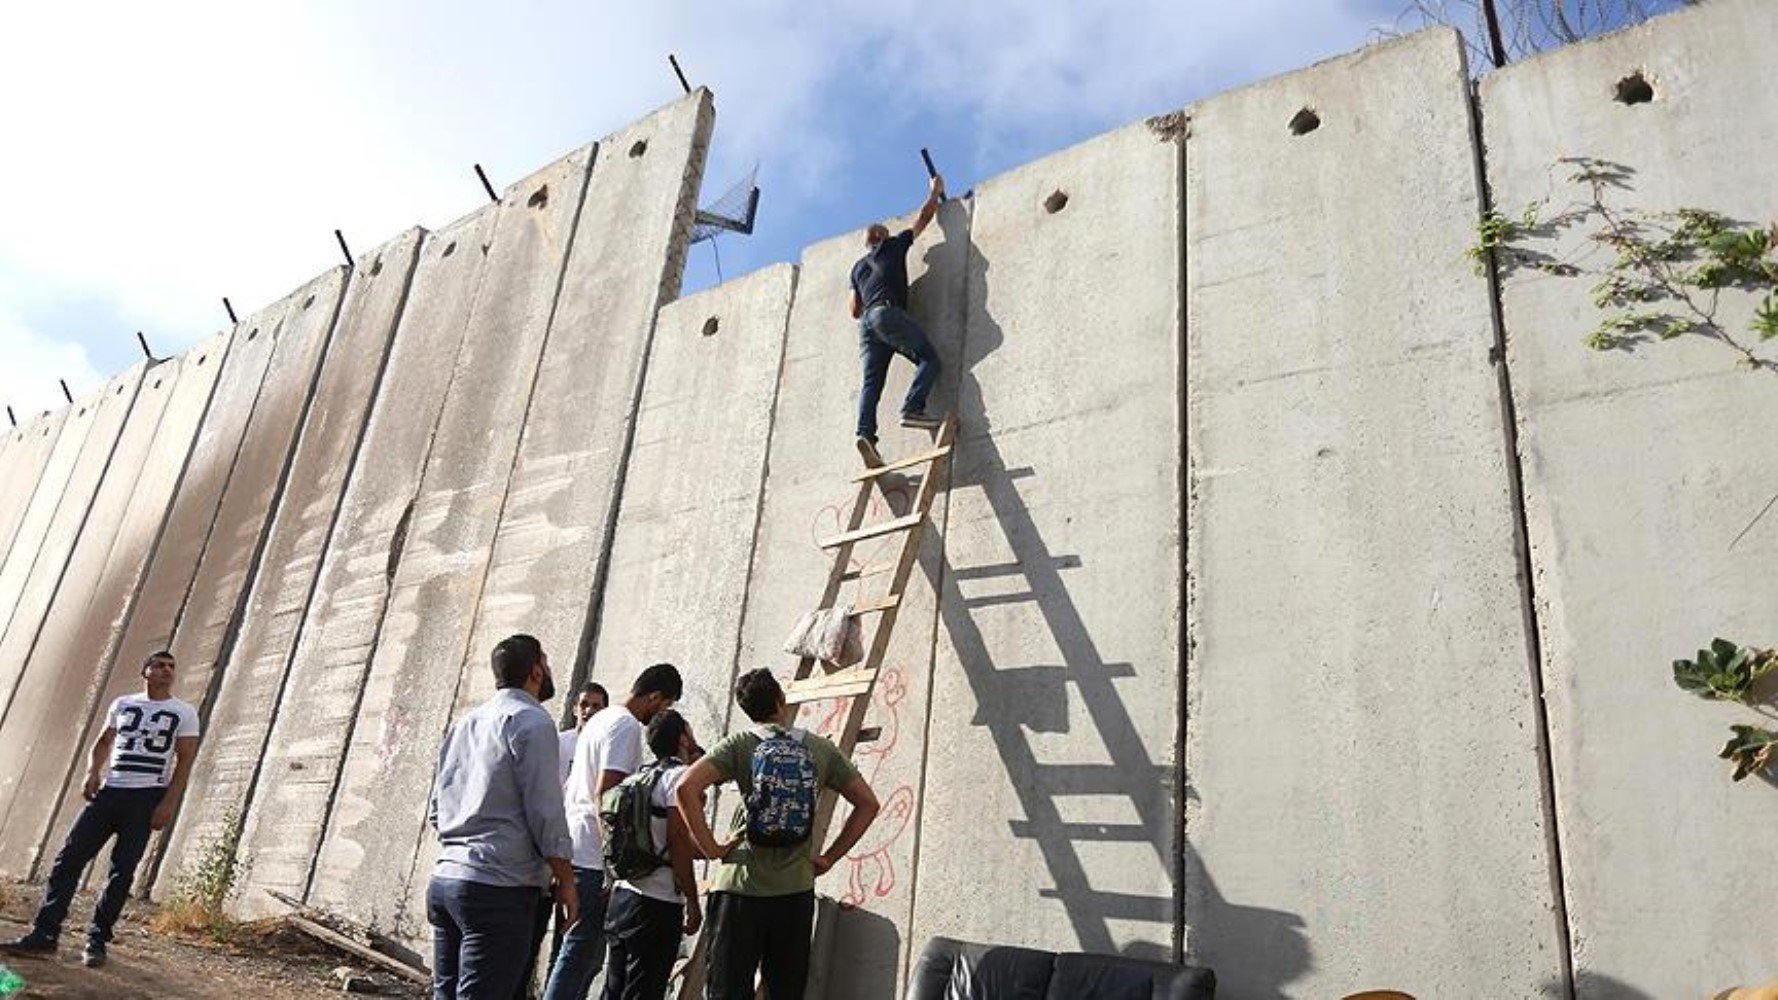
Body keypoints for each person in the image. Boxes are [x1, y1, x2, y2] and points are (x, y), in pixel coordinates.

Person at [675, 669, 881, 1000]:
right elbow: (868, 804)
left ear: (746, 709)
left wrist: (712, 848)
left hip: (739, 888)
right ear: (780, 701)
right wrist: (829, 856)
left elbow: (686, 788)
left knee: (727, 990)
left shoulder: (740, 745)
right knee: (785, 991)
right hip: (794, 891)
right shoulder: (819, 749)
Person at [0, 651, 198, 969]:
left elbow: (185, 760)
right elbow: (104, 741)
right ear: (144, 671)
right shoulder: (122, 704)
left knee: (121, 872)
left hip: (146, 797)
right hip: (110, 792)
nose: (166, 670)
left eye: (171, 667)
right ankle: (44, 935)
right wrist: (92, 771)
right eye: (159, 665)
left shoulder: (184, 712)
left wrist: (168, 803)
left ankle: (96, 940)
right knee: (68, 859)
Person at [426, 634, 577, 1000]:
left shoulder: (466, 723)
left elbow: (436, 809)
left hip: (446, 878)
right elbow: (545, 810)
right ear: (536, 670)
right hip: (498, 888)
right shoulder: (533, 722)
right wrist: (566, 878)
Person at [544, 664, 684, 1000]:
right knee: (578, 953)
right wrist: (612, 864)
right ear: (653, 697)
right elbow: (606, 797)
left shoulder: (602, 720)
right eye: (665, 706)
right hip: (591, 855)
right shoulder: (624, 725)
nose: (662, 714)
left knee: (584, 955)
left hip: (575, 846)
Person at [514, 682, 614, 1000]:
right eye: (584, 704)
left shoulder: (603, 747)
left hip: (577, 856)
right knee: (533, 942)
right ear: (574, 708)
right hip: (550, 852)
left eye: (597, 706)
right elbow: (547, 797)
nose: (589, 711)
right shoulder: (560, 744)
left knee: (570, 942)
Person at [601, 710, 702, 1000]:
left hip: (624, 896)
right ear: (682, 738)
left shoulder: (639, 776)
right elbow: (677, 839)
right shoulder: (679, 778)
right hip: (657, 904)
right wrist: (693, 901)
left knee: (614, 989)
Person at [848, 171, 947, 449]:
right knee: (930, 359)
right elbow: (924, 217)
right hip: (886, 313)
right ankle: (913, 408)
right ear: (882, 236)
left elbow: (854, 310)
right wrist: (935, 191)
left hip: (867, 325)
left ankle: (865, 435)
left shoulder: (857, 268)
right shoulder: (892, 246)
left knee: (872, 383)